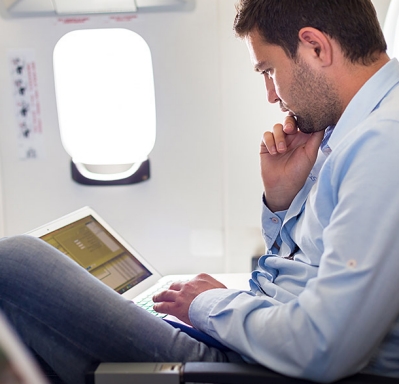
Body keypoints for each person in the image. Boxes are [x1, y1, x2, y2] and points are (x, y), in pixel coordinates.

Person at [1, 0, 398, 383]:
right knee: (32, 334)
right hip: (258, 343)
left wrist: (207, 305)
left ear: (315, 46)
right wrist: (282, 201)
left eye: (269, 70)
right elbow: (304, 275)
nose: (272, 96)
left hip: (253, 368)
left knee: (13, 265)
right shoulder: (347, 131)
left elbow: (323, 347)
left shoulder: (382, 144)